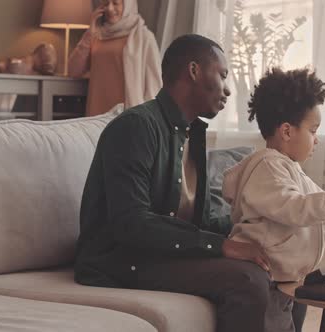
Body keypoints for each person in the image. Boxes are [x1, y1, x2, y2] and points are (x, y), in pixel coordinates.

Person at [75, 34, 306, 332]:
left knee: (289, 266)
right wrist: (221, 246)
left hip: (163, 254)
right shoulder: (135, 128)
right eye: (222, 75)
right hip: (120, 260)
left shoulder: (191, 135)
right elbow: (130, 224)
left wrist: (261, 233)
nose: (227, 90)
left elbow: (202, 219)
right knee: (248, 280)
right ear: (194, 71)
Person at [221, 67, 325, 324]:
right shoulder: (268, 166)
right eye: (313, 130)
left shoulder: (290, 168)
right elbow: (294, 208)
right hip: (266, 279)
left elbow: (315, 203)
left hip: (288, 279)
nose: (316, 141)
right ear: (286, 131)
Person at [68, 0, 161, 116]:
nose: (110, 8)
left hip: (129, 116)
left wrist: (150, 120)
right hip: (96, 116)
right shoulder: (96, 36)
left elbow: (154, 86)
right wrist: (89, 32)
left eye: (116, 3)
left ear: (128, 5)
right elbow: (73, 71)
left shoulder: (144, 37)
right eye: (106, 3)